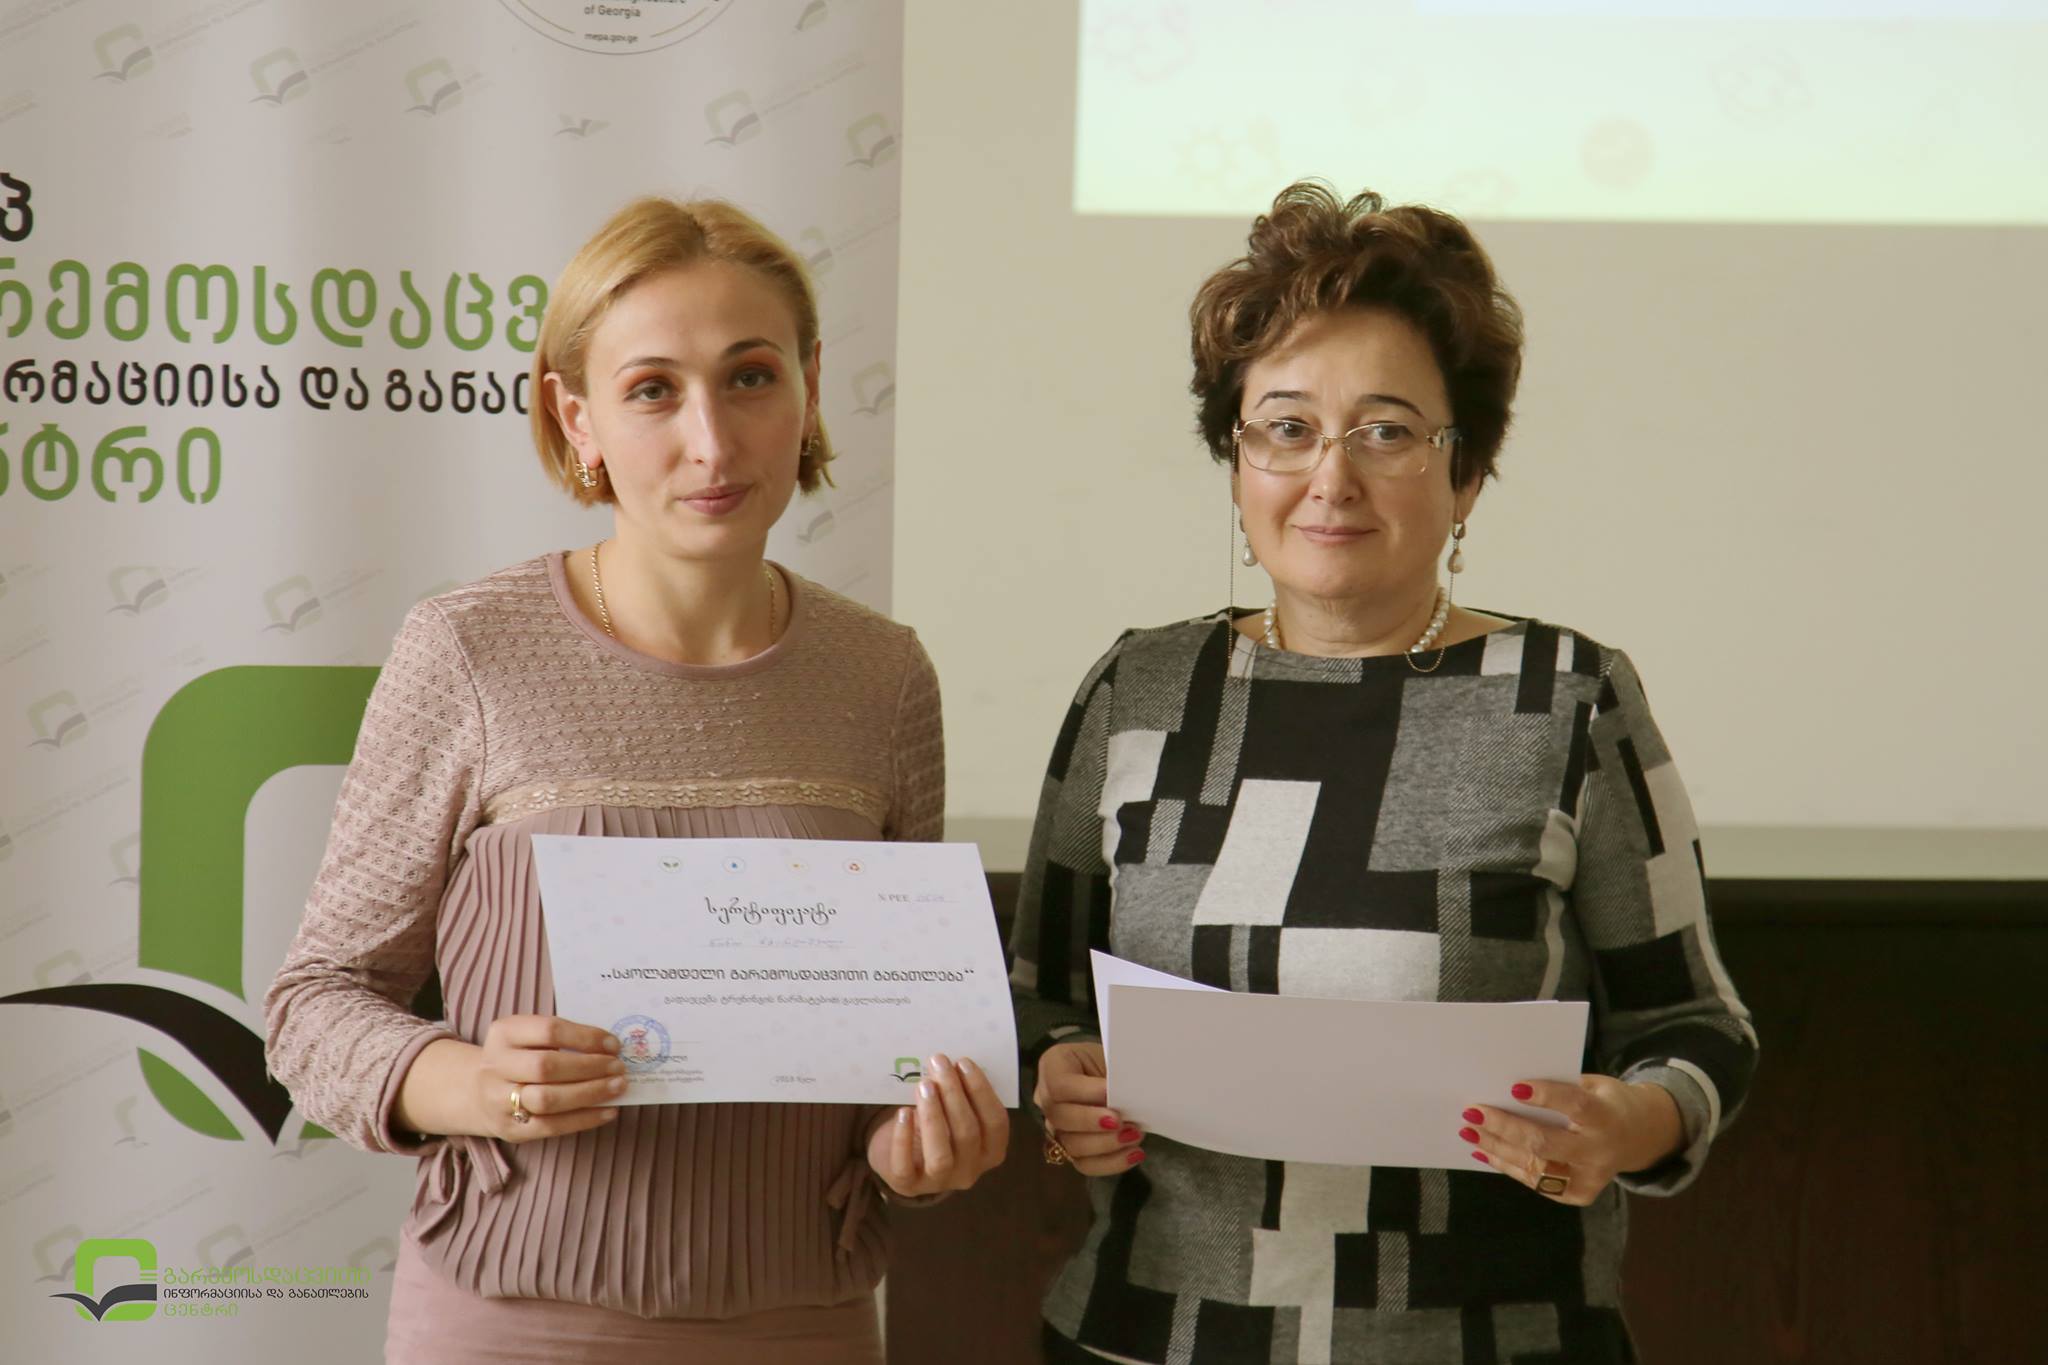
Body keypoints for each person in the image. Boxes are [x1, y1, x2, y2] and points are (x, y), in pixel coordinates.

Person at [1011, 182, 1756, 1364]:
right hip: (1152, 1335)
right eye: (1285, 428)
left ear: (1466, 476)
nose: (1330, 477)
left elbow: (1693, 1026)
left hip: (1491, 1342)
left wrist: (1629, 1119)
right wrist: (1058, 1078)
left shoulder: (1563, 698)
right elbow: (1038, 995)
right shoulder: (1141, 691)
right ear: (1235, 461)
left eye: (1387, 431)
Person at [264, 196, 1008, 1365]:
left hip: (805, 1328)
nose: (711, 442)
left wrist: (911, 1149)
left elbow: (894, 1046)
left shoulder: (884, 675)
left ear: (810, 385)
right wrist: (470, 1083)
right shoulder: (469, 648)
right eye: (653, 390)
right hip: (509, 1328)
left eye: (750, 377)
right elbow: (315, 1005)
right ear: (578, 417)